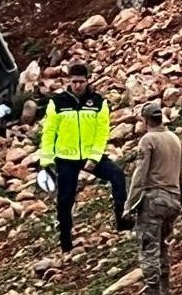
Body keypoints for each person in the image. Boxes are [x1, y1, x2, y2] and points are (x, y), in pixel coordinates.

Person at [39, 62, 130, 253]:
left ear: (88, 81)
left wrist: (94, 157)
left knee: (118, 176)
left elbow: (102, 132)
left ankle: (123, 221)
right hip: (65, 158)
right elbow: (49, 132)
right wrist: (46, 161)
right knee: (65, 199)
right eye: (74, 82)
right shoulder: (57, 103)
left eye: (81, 81)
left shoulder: (98, 102)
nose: (78, 85)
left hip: (91, 155)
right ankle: (65, 242)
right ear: (68, 82)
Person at [125, 101, 182, 295]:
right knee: (162, 247)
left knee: (148, 249)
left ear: (145, 120)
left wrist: (129, 205)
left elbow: (140, 175)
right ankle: (166, 293)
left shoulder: (148, 140)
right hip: (174, 200)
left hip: (154, 201)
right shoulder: (174, 139)